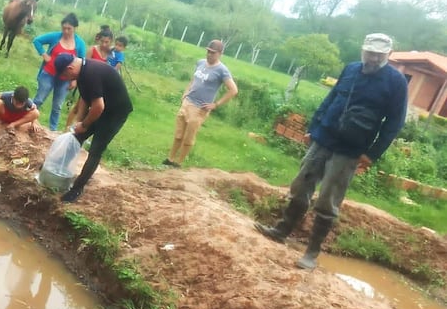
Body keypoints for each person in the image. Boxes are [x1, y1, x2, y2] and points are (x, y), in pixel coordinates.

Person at [254, 33, 408, 270]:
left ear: (389, 54)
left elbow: (394, 123)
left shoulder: (396, 83)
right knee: (300, 185)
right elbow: (331, 98)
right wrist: (313, 127)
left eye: (379, 54)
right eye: (370, 53)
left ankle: (311, 253)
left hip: (351, 149)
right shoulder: (351, 69)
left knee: (328, 199)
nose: (374, 58)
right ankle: (281, 230)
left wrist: (372, 153)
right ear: (362, 50)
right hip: (323, 138)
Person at [53, 53, 133, 203]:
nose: (66, 80)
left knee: (96, 149)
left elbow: (98, 106)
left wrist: (84, 125)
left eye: (65, 76)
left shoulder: (91, 73)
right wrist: (79, 123)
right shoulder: (81, 72)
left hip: (115, 112)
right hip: (101, 109)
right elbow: (85, 98)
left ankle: (77, 189)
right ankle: (57, 168)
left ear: (70, 68)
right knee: (76, 138)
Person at [163, 39, 238, 167]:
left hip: (199, 109)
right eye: (208, 51)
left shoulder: (222, 70)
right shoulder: (201, 63)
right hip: (187, 102)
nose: (209, 54)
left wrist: (215, 104)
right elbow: (194, 80)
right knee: (178, 134)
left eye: (213, 53)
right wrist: (185, 93)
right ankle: (169, 159)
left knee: (188, 138)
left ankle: (178, 162)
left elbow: (233, 90)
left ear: (220, 53)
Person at [31, 13, 87, 131]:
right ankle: (29, 119)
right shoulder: (55, 36)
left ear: (75, 28)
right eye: (64, 28)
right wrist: (44, 54)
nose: (66, 31)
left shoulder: (80, 44)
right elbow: (37, 41)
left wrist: (75, 80)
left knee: (57, 106)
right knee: (39, 99)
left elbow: (82, 63)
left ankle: (52, 130)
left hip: (65, 79)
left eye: (69, 29)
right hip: (48, 73)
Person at [65, 26, 115, 129]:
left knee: (91, 110)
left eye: (107, 42)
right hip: (87, 83)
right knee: (78, 107)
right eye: (102, 41)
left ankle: (80, 129)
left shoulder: (111, 55)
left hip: (100, 86)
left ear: (111, 42)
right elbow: (83, 66)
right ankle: (67, 128)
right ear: (99, 40)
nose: (104, 44)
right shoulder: (92, 50)